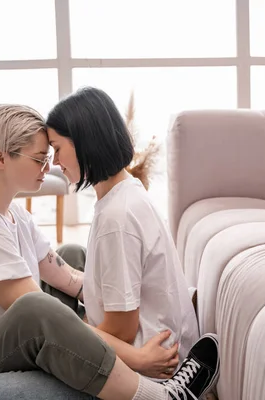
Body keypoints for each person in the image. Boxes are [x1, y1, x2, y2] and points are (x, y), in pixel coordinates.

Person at [0, 104, 219, 400]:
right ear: (0, 158)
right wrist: (134, 358)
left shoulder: (14, 215)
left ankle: (101, 363)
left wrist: (147, 292)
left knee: (73, 255)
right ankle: (159, 397)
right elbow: (35, 313)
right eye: (39, 158)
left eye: (51, 156)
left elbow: (65, 275)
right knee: (37, 309)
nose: (50, 166)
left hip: (5, 346)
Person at [45, 87, 200, 369]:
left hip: (148, 363)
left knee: (43, 336)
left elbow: (123, 330)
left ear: (83, 142)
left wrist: (69, 332)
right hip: (159, 345)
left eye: (56, 149)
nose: (54, 161)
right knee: (65, 266)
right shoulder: (127, 192)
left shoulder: (117, 218)